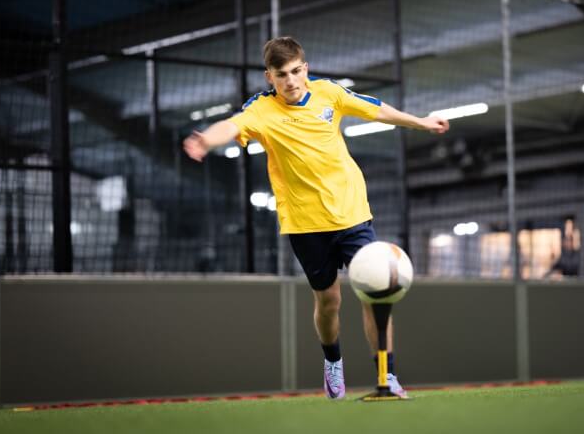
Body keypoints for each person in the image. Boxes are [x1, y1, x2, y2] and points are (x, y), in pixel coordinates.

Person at [183, 36, 449, 399]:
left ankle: (386, 377)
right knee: (329, 302)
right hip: (305, 224)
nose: (290, 81)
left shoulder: (328, 93)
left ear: (305, 69)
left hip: (352, 214)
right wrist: (205, 141)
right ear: (269, 78)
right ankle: (333, 362)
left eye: (296, 71)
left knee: (374, 295)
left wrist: (421, 122)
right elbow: (231, 126)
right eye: (281, 75)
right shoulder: (261, 109)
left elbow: (376, 109)